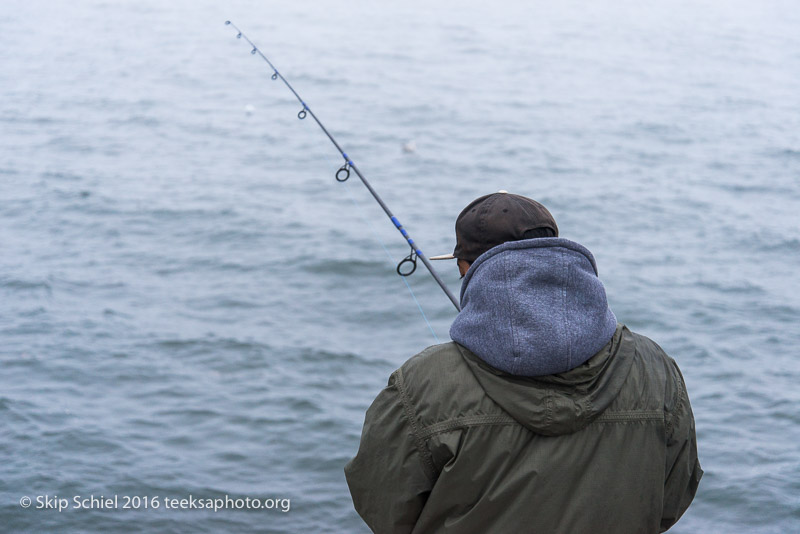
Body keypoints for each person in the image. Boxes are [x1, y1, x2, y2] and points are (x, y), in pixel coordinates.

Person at [344, 191, 703, 534]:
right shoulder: (656, 368)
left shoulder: (421, 385)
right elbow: (671, 499)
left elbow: (384, 508)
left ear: (467, 270)